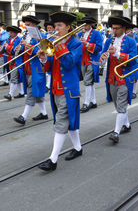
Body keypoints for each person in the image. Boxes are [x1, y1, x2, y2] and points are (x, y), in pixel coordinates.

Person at [37, 11, 83, 171]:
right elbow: (49, 67)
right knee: (67, 120)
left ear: (68, 27)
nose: (55, 29)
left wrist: (59, 45)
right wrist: (43, 58)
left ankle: (53, 159)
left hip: (69, 89)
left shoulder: (76, 44)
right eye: (55, 25)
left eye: (59, 26)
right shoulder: (53, 43)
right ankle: (78, 148)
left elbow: (70, 63)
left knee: (61, 122)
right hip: (55, 88)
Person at [99, 16, 138, 144]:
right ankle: (126, 124)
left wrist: (117, 54)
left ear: (124, 28)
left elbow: (133, 60)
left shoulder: (131, 41)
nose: (114, 31)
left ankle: (116, 132)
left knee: (121, 105)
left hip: (124, 77)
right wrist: (103, 58)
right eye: (113, 28)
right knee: (117, 104)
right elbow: (103, 56)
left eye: (117, 28)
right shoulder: (109, 40)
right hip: (111, 77)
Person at [13, 15, 48, 125]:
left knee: (31, 92)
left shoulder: (41, 36)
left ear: (34, 25)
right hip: (27, 68)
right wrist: (19, 48)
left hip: (36, 68)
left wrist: (27, 46)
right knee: (36, 93)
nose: (26, 27)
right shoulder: (26, 35)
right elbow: (24, 50)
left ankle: (23, 116)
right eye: (25, 25)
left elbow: (41, 51)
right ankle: (44, 113)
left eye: (28, 25)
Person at [77, 16, 103, 113]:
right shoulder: (80, 33)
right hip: (82, 60)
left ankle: (86, 103)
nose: (84, 26)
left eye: (86, 24)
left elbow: (99, 47)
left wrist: (87, 44)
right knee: (89, 82)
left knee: (87, 81)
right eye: (83, 24)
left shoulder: (96, 33)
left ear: (90, 25)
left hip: (92, 60)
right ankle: (94, 101)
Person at [1, 26, 26, 100]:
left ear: (15, 33)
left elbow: (15, 51)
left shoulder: (19, 40)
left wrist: (7, 47)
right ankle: (21, 92)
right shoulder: (8, 40)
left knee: (14, 78)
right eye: (9, 32)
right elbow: (7, 50)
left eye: (11, 32)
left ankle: (10, 94)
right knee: (16, 78)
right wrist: (3, 48)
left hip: (16, 61)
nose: (10, 34)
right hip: (9, 61)